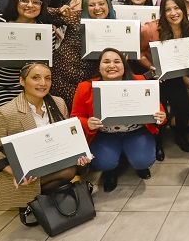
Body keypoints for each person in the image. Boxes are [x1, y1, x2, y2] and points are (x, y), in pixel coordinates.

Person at [0, 62, 90, 210]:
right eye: (35, 78)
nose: (43, 83)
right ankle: (39, 201)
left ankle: (42, 202)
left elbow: (65, 137)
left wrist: (78, 154)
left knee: (79, 166)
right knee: (68, 171)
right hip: (23, 173)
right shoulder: (6, 113)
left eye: (47, 78)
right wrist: (16, 173)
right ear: (22, 81)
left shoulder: (58, 103)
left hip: (50, 159)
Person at [71, 48, 167, 192]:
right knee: (103, 163)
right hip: (104, 134)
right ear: (99, 66)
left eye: (117, 61)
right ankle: (111, 171)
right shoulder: (85, 87)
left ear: (124, 65)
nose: (111, 66)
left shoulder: (140, 81)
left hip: (135, 131)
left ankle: (135, 163)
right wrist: (87, 123)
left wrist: (162, 115)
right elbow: (75, 117)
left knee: (143, 161)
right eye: (106, 62)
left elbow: (156, 107)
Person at [139, 0, 189, 152]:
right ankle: (158, 141)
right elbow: (138, 51)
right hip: (154, 77)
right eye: (168, 10)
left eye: (177, 8)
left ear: (184, 9)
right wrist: (151, 67)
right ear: (163, 13)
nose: (173, 13)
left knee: (185, 109)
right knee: (158, 110)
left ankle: (180, 134)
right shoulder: (149, 29)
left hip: (175, 77)